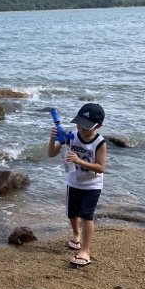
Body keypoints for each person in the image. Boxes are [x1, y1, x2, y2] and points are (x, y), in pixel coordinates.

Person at [47, 103, 107, 267]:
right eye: (79, 124)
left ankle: (85, 251)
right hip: (73, 182)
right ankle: (76, 234)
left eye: (86, 127)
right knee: (72, 214)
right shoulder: (71, 136)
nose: (81, 129)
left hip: (92, 185)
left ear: (98, 126)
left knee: (86, 216)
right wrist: (53, 139)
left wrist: (79, 161)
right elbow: (51, 154)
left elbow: (101, 168)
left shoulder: (100, 143)